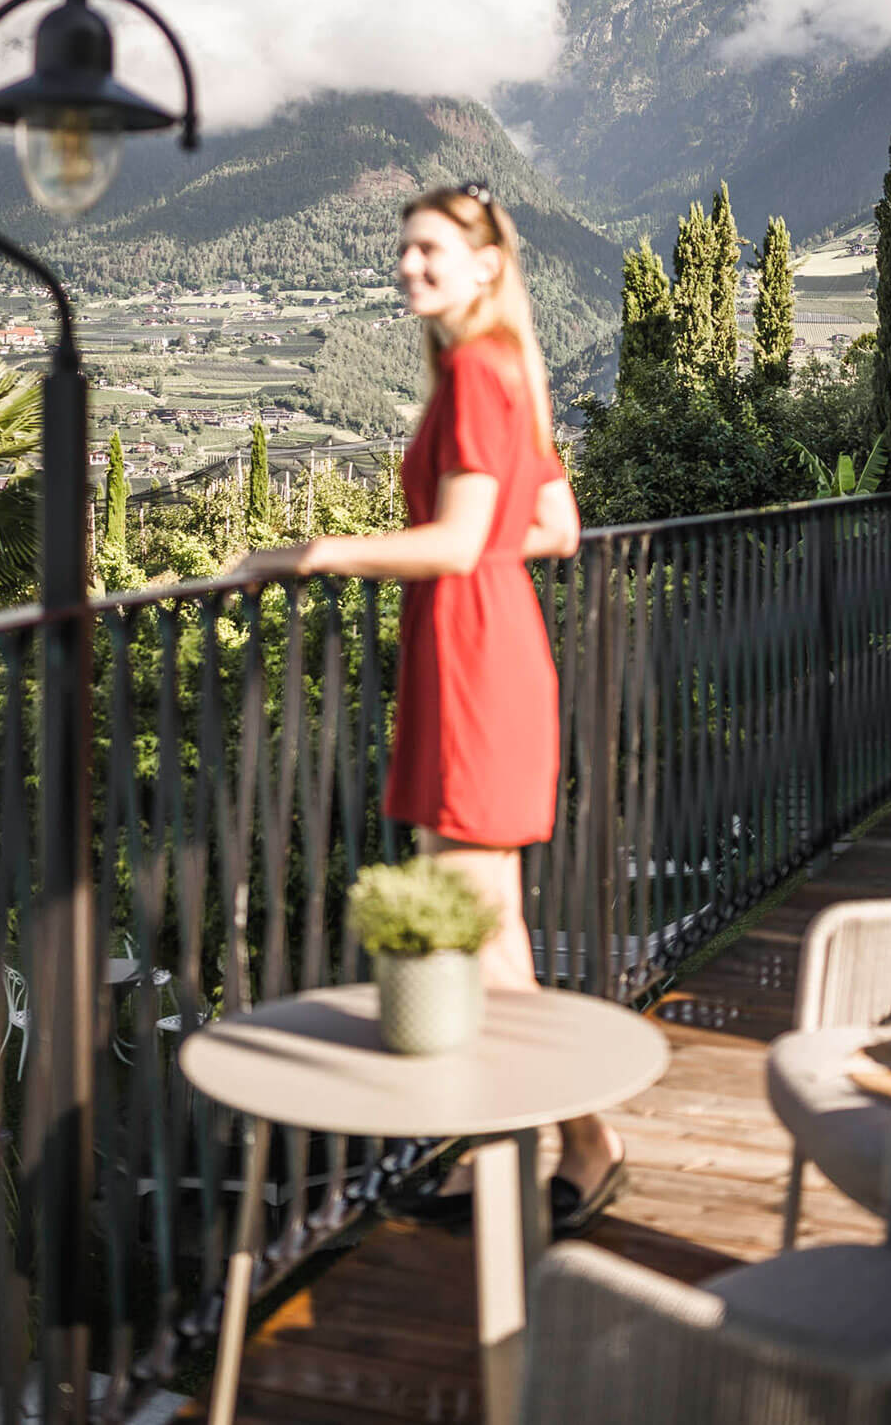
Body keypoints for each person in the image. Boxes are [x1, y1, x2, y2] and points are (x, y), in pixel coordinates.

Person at [232, 182, 626, 1233]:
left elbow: (458, 543)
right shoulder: (505, 373)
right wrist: (478, 548)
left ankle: (532, 1149)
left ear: (487, 264)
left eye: (430, 250)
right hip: (490, 649)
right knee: (490, 934)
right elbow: (555, 524)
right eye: (404, 250)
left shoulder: (476, 377)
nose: (409, 266)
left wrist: (304, 553)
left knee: (471, 934)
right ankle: (561, 1143)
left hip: (472, 663)